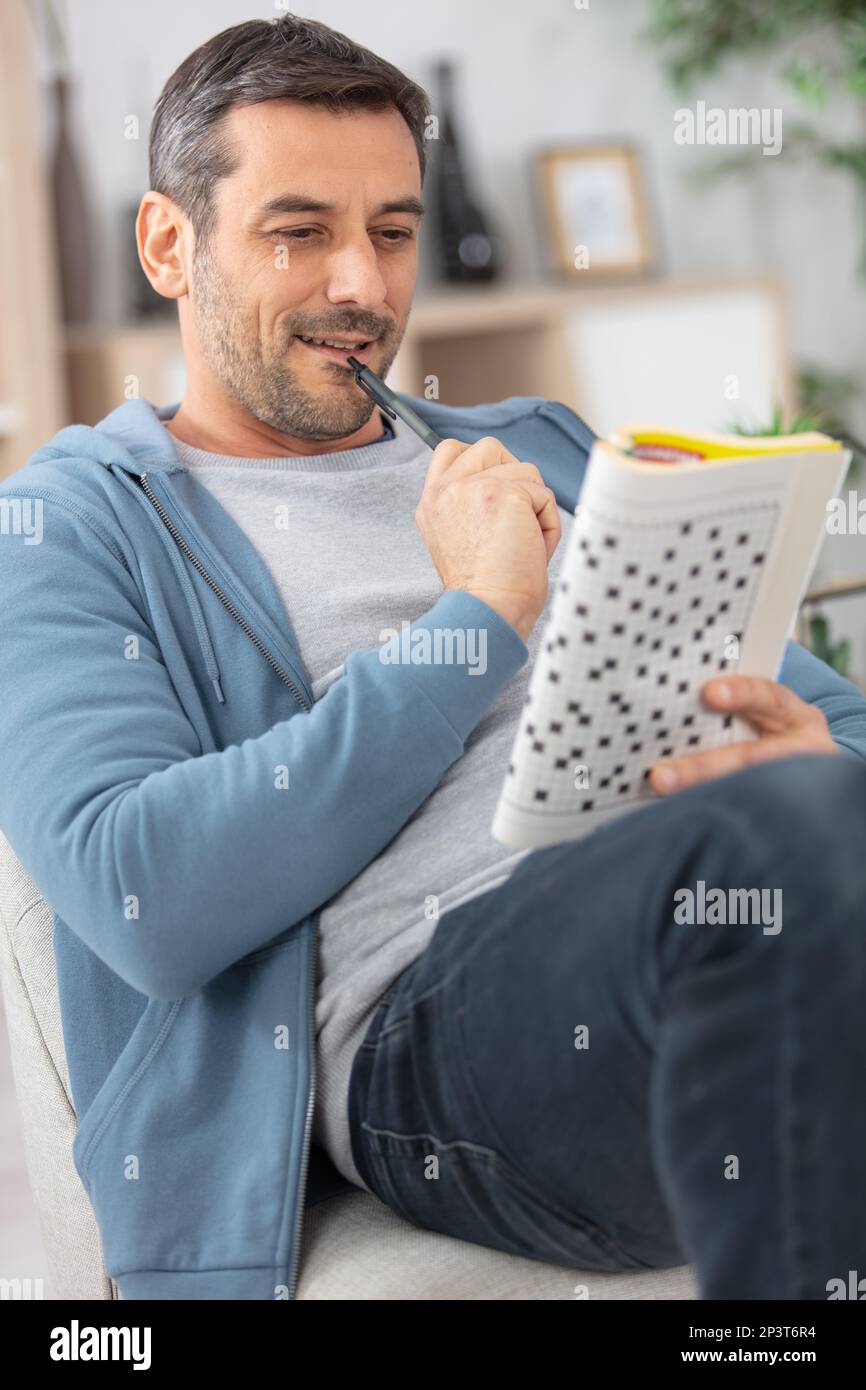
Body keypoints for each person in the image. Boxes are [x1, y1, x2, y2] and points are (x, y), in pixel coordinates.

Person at [0, 13, 863, 1301]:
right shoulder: (76, 522)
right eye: (300, 233)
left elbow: (836, 732)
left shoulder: (542, 445)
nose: (363, 284)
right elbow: (144, 893)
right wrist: (478, 619)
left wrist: (813, 752)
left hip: (700, 903)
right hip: (436, 1031)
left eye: (393, 233)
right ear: (169, 244)